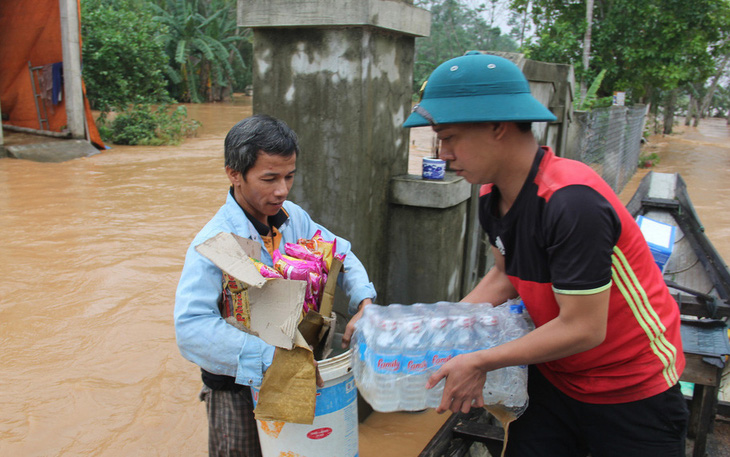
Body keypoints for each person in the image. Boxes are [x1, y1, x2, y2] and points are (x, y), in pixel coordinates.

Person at [403, 52, 688, 456]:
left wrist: (481, 360)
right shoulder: (491, 193)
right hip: (556, 375)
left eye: (449, 138)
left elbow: (585, 328)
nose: (443, 153)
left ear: (497, 127)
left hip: (630, 387)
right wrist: (442, 325)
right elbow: (504, 276)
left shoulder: (572, 202)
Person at [174, 114, 376, 457]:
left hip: (298, 375)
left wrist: (365, 304)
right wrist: (271, 357)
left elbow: (341, 253)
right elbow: (191, 328)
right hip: (236, 390)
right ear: (234, 174)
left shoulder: (293, 218)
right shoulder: (213, 243)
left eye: (289, 176)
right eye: (269, 179)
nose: (281, 190)